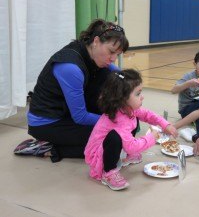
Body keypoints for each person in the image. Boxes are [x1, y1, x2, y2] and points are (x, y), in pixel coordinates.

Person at [13, 19, 129, 163]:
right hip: (47, 123)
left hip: (67, 112)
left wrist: (130, 94)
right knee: (113, 140)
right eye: (111, 52)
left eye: (117, 54)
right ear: (96, 41)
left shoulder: (91, 52)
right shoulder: (70, 67)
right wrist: (116, 121)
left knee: (126, 125)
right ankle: (50, 148)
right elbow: (80, 117)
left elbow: (120, 75)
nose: (113, 59)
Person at [84, 69, 177, 191]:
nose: (142, 97)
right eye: (138, 94)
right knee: (115, 136)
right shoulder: (118, 119)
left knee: (134, 119)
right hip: (98, 158)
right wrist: (151, 138)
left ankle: (126, 157)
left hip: (107, 147)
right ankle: (109, 172)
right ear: (122, 99)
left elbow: (148, 114)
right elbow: (131, 146)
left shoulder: (127, 108)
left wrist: (165, 125)